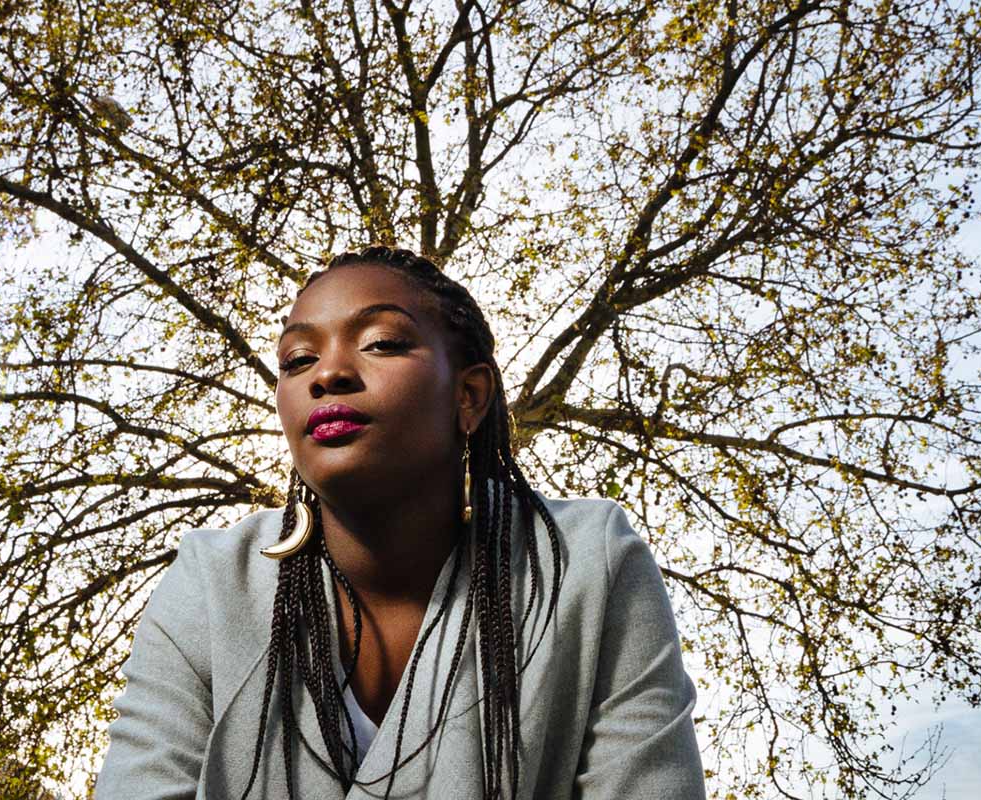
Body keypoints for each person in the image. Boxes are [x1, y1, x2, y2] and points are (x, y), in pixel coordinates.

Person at [94, 246, 706, 799]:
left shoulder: (587, 564)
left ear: (469, 396)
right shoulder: (212, 582)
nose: (327, 374)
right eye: (298, 358)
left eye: (382, 343)